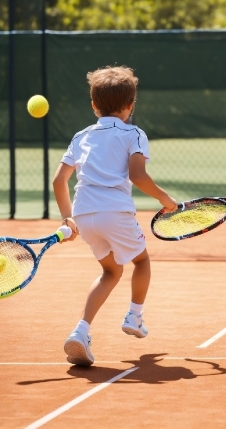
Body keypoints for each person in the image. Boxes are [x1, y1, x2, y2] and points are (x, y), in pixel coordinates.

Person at [53, 65, 178, 366]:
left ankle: (81, 331)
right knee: (142, 261)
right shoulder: (134, 133)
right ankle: (135, 317)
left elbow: (59, 181)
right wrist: (165, 198)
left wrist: (67, 219)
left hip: (83, 214)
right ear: (130, 106)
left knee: (111, 271)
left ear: (94, 105)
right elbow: (138, 175)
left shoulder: (81, 136)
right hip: (116, 212)